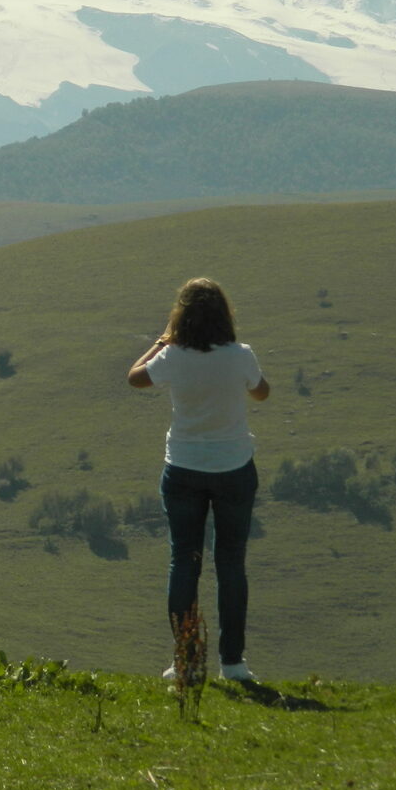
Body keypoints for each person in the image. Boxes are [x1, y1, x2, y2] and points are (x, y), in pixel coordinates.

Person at [128, 277, 271, 686]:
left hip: (184, 467)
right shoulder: (241, 355)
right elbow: (261, 393)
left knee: (184, 562)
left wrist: (162, 340)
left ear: (181, 317)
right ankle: (233, 662)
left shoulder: (173, 355)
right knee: (231, 564)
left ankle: (186, 660)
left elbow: (135, 377)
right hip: (233, 467)